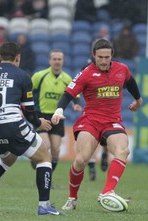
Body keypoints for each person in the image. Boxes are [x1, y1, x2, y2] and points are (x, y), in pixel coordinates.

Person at [0, 42, 63, 215]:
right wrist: (39, 123)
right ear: (18, 58)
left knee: (8, 158)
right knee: (44, 157)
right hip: (11, 125)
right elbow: (28, 111)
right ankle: (44, 206)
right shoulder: (22, 75)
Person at [51, 39, 143, 210]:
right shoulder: (86, 73)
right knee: (81, 160)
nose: (103, 60)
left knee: (123, 151)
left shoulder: (122, 69)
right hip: (90, 121)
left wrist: (138, 100)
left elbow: (130, 82)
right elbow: (68, 94)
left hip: (112, 122)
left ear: (112, 56)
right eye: (99, 57)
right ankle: (72, 198)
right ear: (93, 55)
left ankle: (107, 192)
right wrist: (59, 111)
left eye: (106, 57)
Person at [30, 49, 82, 180]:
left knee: (56, 150)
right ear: (49, 61)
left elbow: (75, 94)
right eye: (54, 59)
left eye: (59, 59)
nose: (57, 61)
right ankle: (35, 158)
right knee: (45, 145)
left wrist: (76, 103)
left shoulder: (67, 78)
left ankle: (47, 178)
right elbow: (27, 91)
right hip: (41, 115)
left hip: (58, 117)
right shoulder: (39, 76)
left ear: (63, 61)